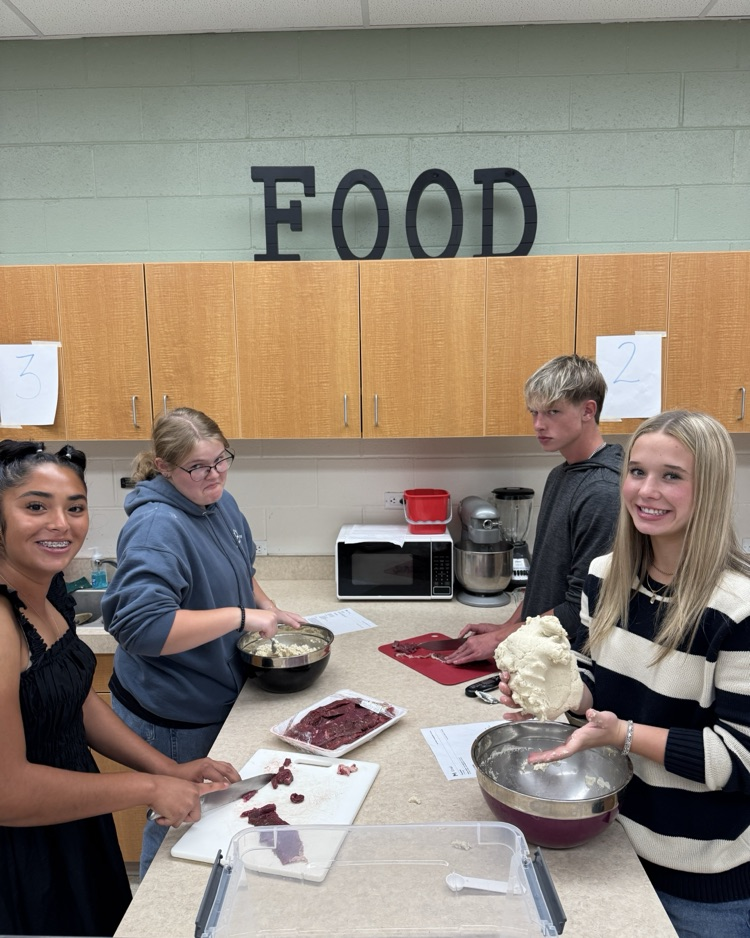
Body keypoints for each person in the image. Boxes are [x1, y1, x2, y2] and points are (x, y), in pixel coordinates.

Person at [499, 410, 750, 938]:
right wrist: (553, 690)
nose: (646, 490)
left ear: (710, 487)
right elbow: (596, 691)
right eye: (636, 471)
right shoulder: (605, 577)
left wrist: (624, 735)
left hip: (700, 876)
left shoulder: (737, 610)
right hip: (612, 846)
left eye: (672, 475)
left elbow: (740, 758)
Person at [0, 440, 238, 938]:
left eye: (75, 507)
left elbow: (75, 701)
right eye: (35, 506)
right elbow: (9, 792)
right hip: (22, 856)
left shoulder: (47, 591)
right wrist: (150, 788)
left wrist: (167, 768)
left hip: (72, 823)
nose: (61, 524)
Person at [102, 407, 306, 878]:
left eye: (221, 460)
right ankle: (154, 919)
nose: (214, 475)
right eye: (198, 467)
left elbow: (241, 569)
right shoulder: (157, 527)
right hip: (172, 712)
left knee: (210, 810)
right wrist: (239, 616)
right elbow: (143, 628)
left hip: (213, 691)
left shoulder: (217, 502)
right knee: (178, 819)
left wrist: (267, 607)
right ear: (164, 467)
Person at [446, 354, 623, 664]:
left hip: (571, 665)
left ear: (588, 410)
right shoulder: (562, 474)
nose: (539, 425)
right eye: (534, 412)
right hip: (537, 650)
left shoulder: (603, 491)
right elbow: (544, 577)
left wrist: (501, 638)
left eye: (552, 412)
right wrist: (508, 628)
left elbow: (581, 606)